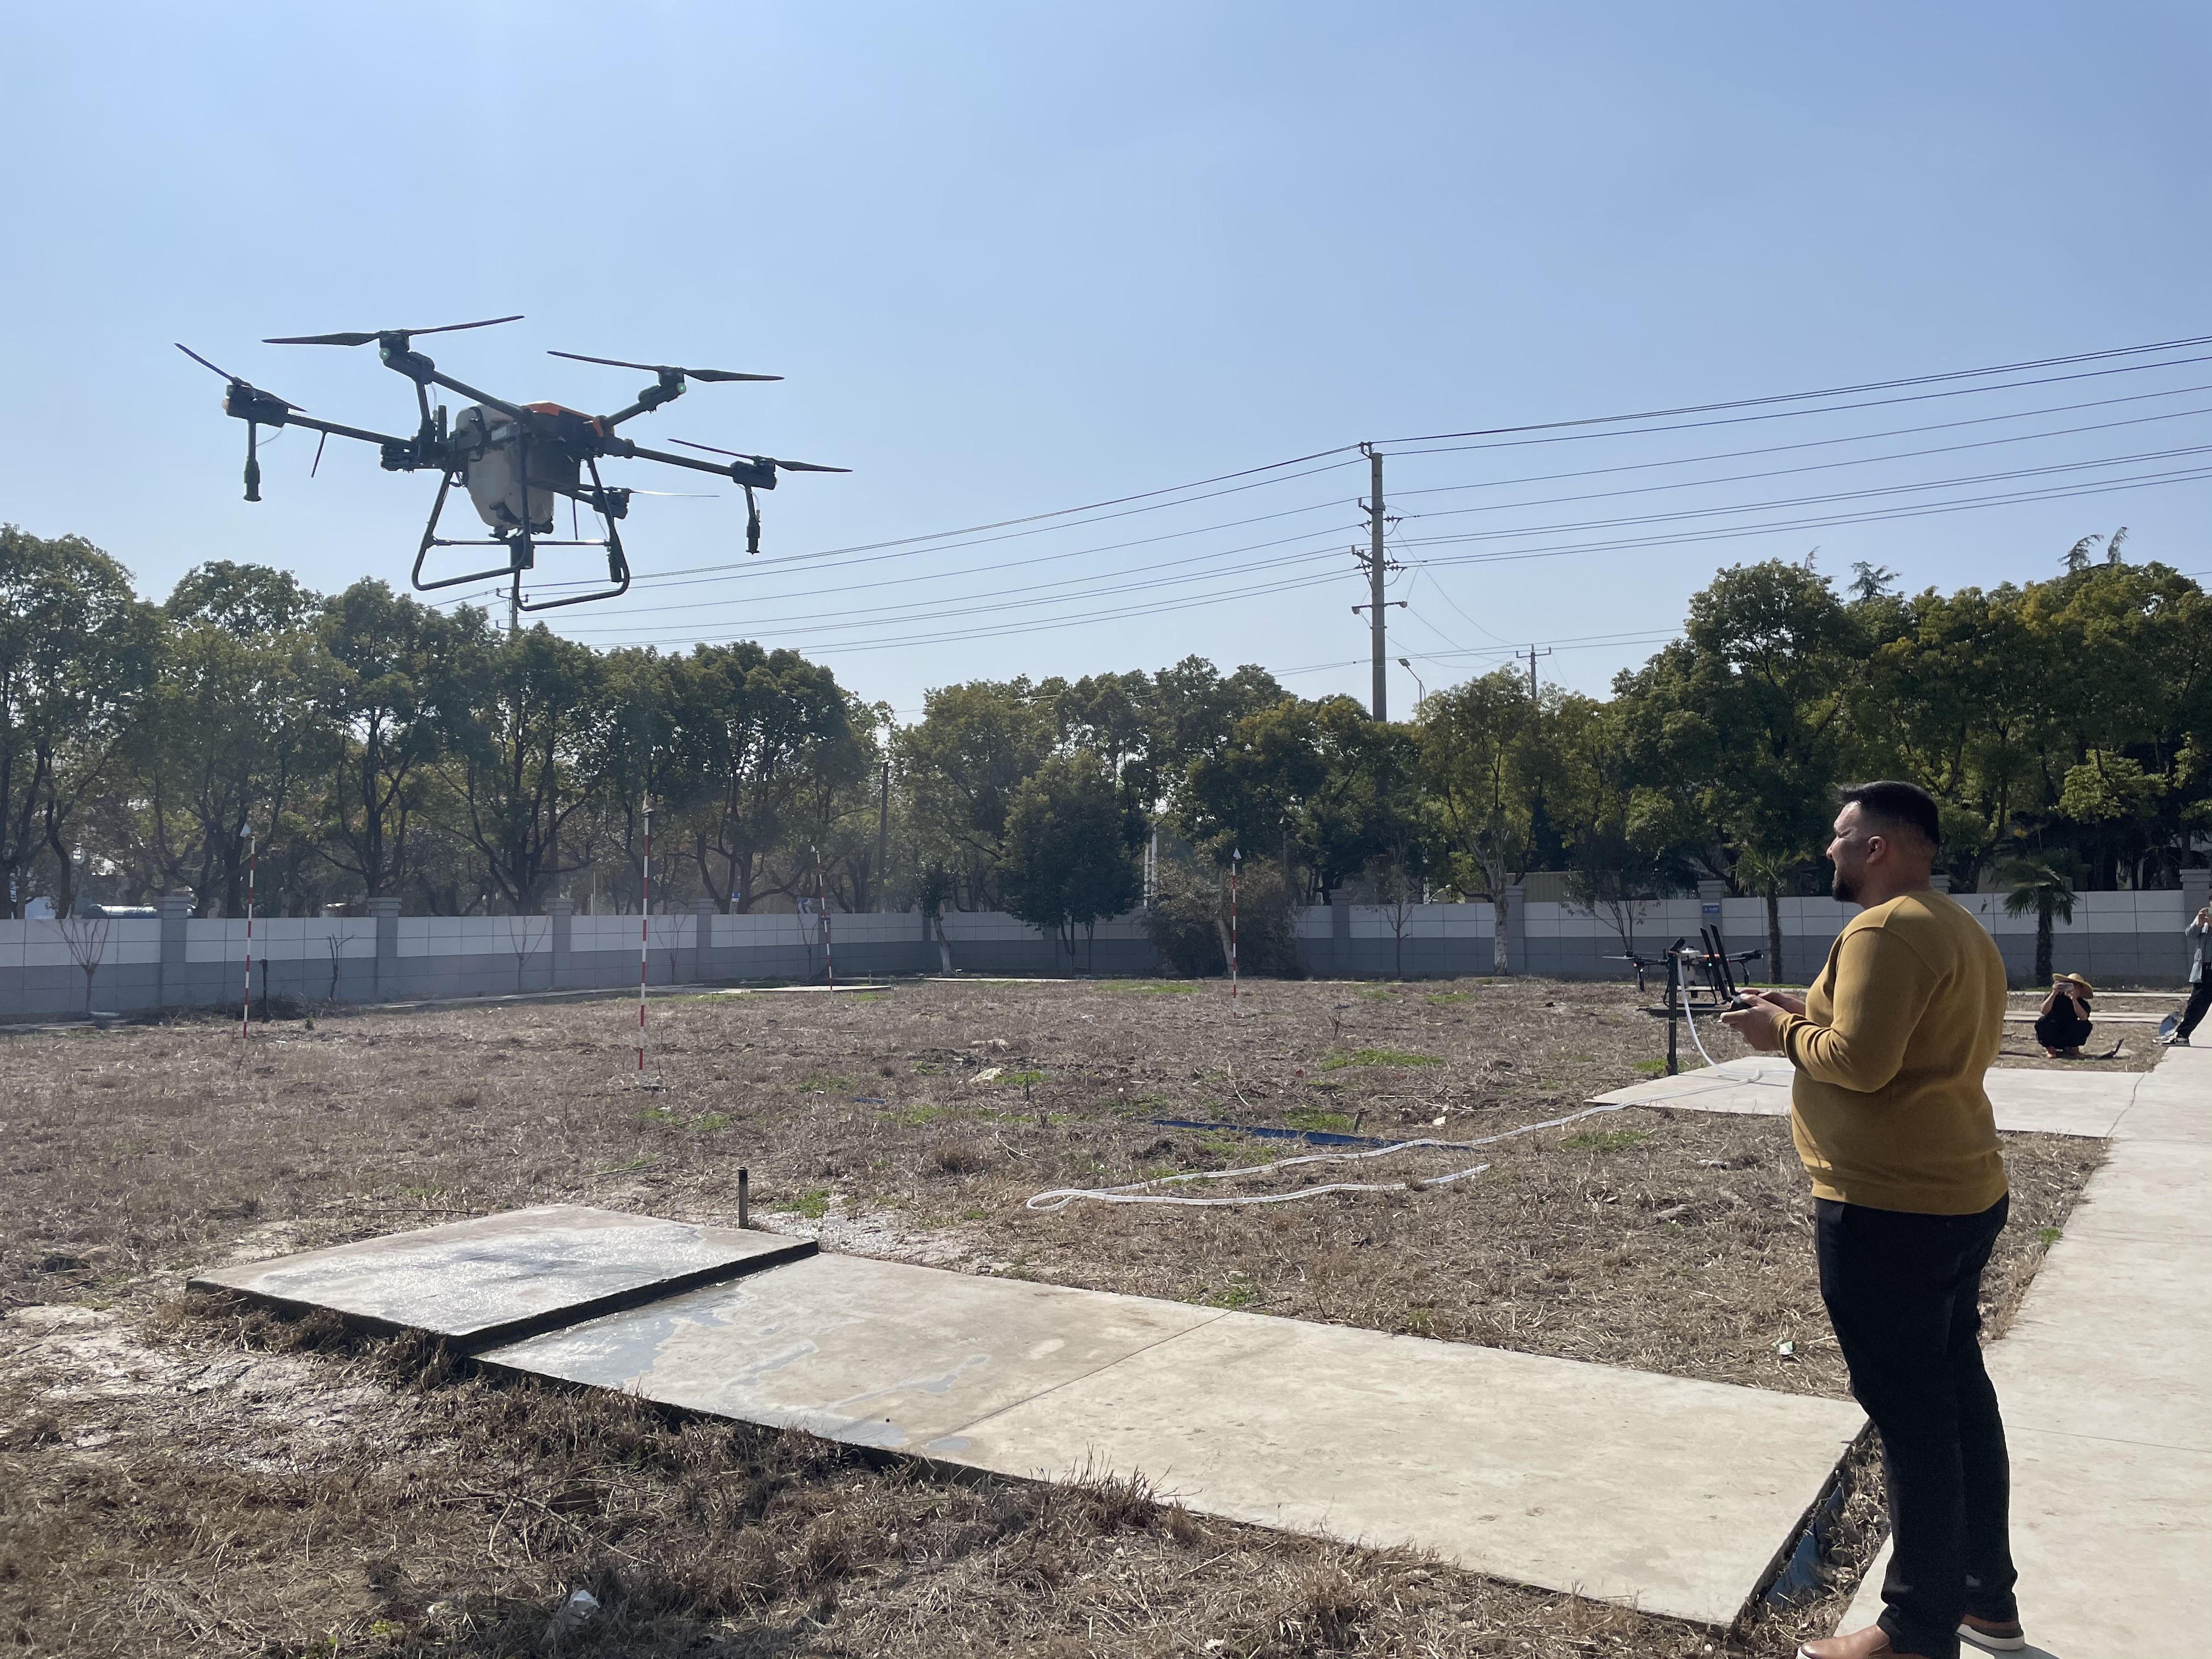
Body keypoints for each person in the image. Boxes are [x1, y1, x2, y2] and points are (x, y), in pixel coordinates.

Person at [1720, 781, 2022, 1659]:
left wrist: (1774, 1037)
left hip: (1888, 1205)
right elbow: (1893, 1032)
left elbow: (1858, 1062)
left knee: (1912, 1414)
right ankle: (1985, 1600)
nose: (1830, 849)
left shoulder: (1883, 929)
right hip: (1956, 1192)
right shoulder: (1951, 926)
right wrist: (1798, 1009)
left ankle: (1914, 1629)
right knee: (1957, 1395)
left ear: (1880, 847)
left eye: (1841, 835)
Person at [2164, 902, 2212, 1046]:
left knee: (2196, 1004)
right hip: (2203, 969)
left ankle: (2182, 1035)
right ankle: (2182, 1036)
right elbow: (2190, 934)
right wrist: (2198, 923)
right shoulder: (2205, 919)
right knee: (2196, 1005)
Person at [2032, 973, 2094, 1058]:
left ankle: (2073, 1048)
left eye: (2076, 986)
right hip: (2054, 1030)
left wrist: (2074, 1000)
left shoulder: (2082, 1003)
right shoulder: (2055, 998)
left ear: (2080, 990)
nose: (2072, 988)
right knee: (2042, 1022)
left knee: (2086, 1025)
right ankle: (2051, 1049)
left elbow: (2084, 1017)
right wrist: (2054, 993)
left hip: (2069, 1033)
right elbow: (2044, 1011)